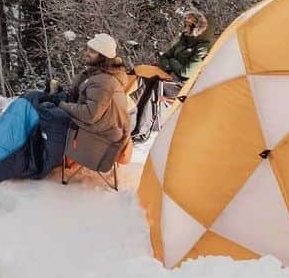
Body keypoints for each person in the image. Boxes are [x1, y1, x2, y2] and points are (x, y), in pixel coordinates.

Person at [56, 33, 132, 172]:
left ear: (102, 56)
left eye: (92, 51)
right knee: (43, 102)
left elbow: (90, 115)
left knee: (47, 115)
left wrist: (60, 105)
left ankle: (39, 164)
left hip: (98, 137)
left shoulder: (103, 81)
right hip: (103, 128)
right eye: (88, 49)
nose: (86, 53)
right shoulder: (99, 75)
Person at [133, 10, 211, 141]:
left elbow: (187, 73)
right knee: (142, 75)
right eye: (186, 22)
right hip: (171, 77)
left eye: (190, 23)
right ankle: (132, 120)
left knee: (154, 87)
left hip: (186, 86)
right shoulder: (183, 41)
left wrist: (172, 62)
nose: (186, 25)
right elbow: (164, 57)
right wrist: (171, 63)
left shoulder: (203, 46)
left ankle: (143, 129)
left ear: (197, 27)